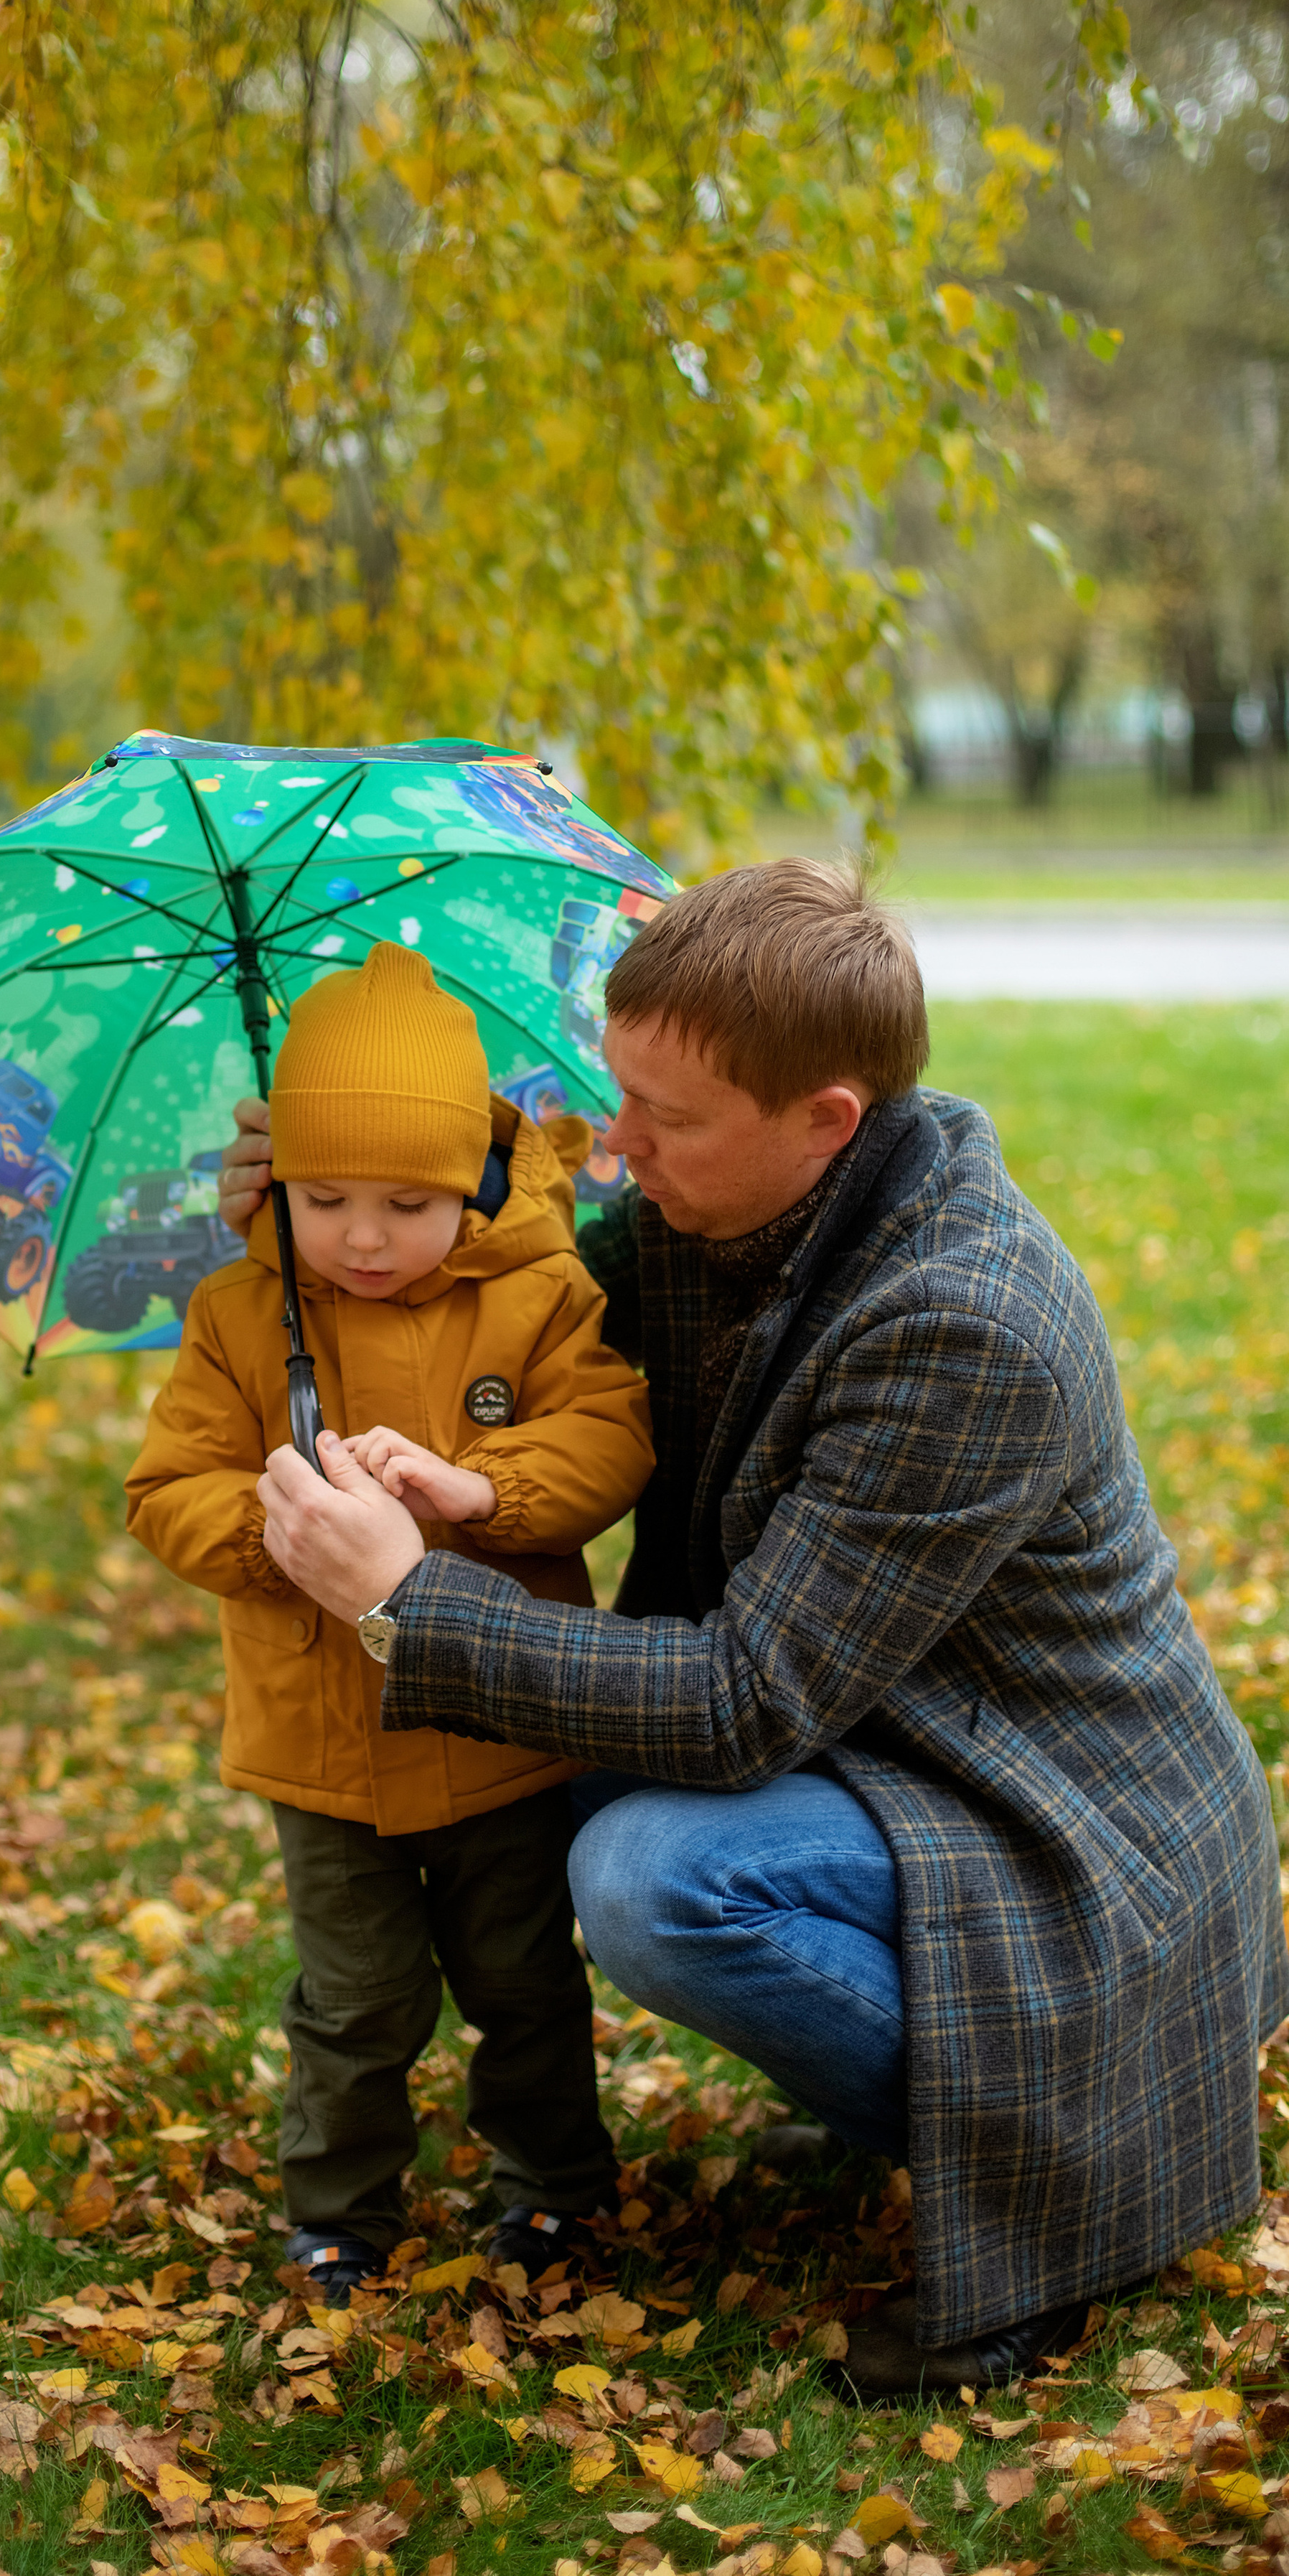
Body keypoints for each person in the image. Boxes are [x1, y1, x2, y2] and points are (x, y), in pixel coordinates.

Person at [221, 862, 1289, 2395]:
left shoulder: (957, 1322)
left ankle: (1048, 2150)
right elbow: (498, 1316)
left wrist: (402, 1597)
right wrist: (323, 1216)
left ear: (825, 1120)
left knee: (650, 1876)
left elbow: (736, 1703)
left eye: (667, 1118)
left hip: (1063, 1819)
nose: (616, 1146)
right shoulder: (712, 1208)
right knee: (549, 1771)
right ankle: (910, 2094)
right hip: (882, 1737)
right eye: (615, 1094)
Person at [125, 942, 654, 2304]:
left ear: (471, 1181)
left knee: (524, 1981)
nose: (364, 1236)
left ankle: (551, 2192)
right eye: (327, 1197)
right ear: (276, 1180)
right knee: (355, 2001)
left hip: (500, 1736)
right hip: (326, 1748)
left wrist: (480, 1489)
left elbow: (608, 1435)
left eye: (408, 1202)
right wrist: (278, 1532)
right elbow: (166, 1486)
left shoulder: (539, 1295)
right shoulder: (245, 1314)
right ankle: (339, 2209)